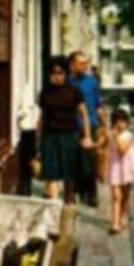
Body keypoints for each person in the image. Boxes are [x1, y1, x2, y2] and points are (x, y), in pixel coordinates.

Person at [36, 58, 92, 202]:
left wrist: (87, 136)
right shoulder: (45, 92)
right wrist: (38, 139)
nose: (56, 76)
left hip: (70, 135)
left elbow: (83, 114)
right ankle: (54, 205)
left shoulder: (73, 91)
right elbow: (42, 116)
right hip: (50, 135)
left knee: (70, 173)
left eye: (60, 73)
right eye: (53, 73)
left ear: (66, 73)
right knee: (51, 173)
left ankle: (69, 200)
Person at [68, 50, 105, 208]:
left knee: (91, 161)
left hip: (91, 123)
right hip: (71, 125)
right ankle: (75, 192)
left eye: (86, 63)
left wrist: (105, 126)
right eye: (81, 63)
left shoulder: (92, 82)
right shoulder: (67, 82)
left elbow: (98, 105)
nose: (85, 66)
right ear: (72, 64)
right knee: (74, 160)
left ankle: (92, 194)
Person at [106, 107, 134, 234]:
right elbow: (102, 145)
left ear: (127, 123)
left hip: (127, 168)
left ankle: (123, 216)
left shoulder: (129, 136)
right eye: (117, 121)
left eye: (123, 122)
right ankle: (115, 222)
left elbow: (122, 150)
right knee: (116, 197)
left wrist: (115, 137)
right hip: (115, 168)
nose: (120, 125)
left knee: (125, 196)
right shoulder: (111, 134)